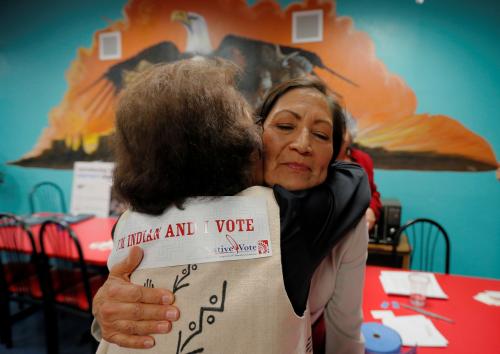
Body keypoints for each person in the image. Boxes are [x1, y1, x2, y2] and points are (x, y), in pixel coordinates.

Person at [93, 61, 369, 353]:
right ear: (254, 138)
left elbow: (346, 330)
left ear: (337, 153)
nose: (302, 144)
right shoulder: (271, 215)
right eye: (285, 126)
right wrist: (104, 310)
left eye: (322, 135)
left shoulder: (345, 220)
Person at [337, 111, 382, 231]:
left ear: (351, 135)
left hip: (357, 230)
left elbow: (373, 193)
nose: (338, 134)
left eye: (343, 129)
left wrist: (372, 209)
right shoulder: (320, 159)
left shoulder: (363, 159)